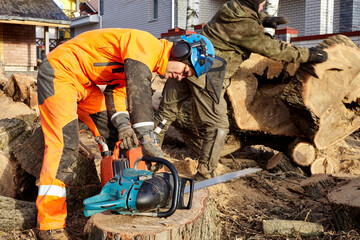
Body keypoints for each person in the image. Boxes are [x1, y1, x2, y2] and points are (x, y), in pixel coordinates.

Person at [36, 28, 216, 240]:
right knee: (63, 146)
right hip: (60, 71)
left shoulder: (144, 62)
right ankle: (49, 224)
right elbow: (138, 88)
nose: (179, 77)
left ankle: (120, 196)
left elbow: (116, 92)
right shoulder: (146, 45)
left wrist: (122, 125)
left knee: (115, 138)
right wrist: (147, 137)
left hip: (85, 84)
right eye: (184, 71)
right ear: (180, 51)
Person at [154, 0, 328, 181]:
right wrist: (308, 55)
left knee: (164, 115)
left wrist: (264, 20)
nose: (261, 6)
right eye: (261, 4)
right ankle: (205, 173)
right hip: (207, 73)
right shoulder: (246, 26)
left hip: (185, 61)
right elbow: (274, 49)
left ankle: (148, 158)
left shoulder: (229, 8)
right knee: (217, 126)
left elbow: (243, 18)